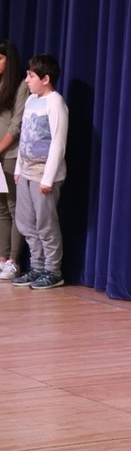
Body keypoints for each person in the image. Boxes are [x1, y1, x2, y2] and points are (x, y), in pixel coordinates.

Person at [12, 54, 69, 290]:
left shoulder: (55, 102)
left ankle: (53, 270)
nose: (27, 80)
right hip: (26, 173)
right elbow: (24, 136)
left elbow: (58, 142)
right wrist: (18, 168)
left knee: (46, 224)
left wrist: (47, 178)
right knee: (26, 223)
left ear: (45, 79)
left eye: (31, 76)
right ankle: (37, 265)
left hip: (44, 176)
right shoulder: (31, 100)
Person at [0, 40, 29, 281]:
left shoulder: (21, 86)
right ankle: (2, 258)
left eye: (0, 58)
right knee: (0, 209)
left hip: (10, 155)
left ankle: (14, 260)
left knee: (13, 206)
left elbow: (16, 123)